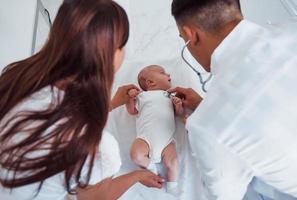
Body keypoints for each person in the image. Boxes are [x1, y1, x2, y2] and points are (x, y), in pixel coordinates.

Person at [0, 1, 164, 200]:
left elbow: (57, 119)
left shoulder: (15, 76)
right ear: (112, 54)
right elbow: (93, 198)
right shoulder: (98, 149)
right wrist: (137, 176)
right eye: (122, 46)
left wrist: (109, 104)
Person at [168, 0, 297, 199]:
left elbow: (225, 196)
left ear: (190, 35)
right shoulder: (292, 28)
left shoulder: (206, 128)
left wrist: (204, 120)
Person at [125, 65, 183, 195]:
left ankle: (173, 186)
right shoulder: (142, 96)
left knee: (173, 162)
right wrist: (130, 99)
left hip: (166, 141)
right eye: (163, 73)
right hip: (145, 138)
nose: (169, 75)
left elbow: (177, 114)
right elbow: (132, 111)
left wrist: (178, 106)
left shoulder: (170, 96)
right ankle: (151, 168)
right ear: (150, 82)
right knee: (136, 154)